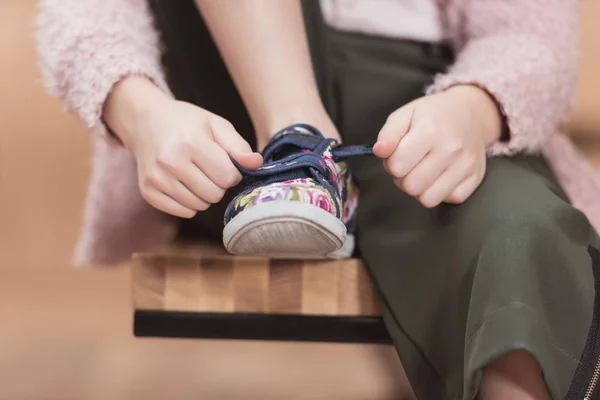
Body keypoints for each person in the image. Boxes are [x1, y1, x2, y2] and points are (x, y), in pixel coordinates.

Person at [36, 0, 600, 399]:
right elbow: (81, 13)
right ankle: (296, 139)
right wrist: (140, 113)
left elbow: (532, 36)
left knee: (523, 234)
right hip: (223, 115)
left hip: (430, 97)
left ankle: (323, 173)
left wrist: (475, 108)